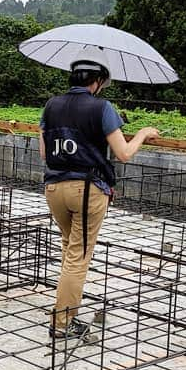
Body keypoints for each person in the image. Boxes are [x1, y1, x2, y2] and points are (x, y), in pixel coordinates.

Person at [39, 50, 160, 339]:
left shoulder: (51, 105)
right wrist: (142, 133)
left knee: (70, 249)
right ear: (98, 81)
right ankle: (61, 323)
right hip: (87, 189)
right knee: (78, 257)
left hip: (54, 187)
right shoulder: (102, 108)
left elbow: (45, 153)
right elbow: (123, 153)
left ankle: (66, 313)